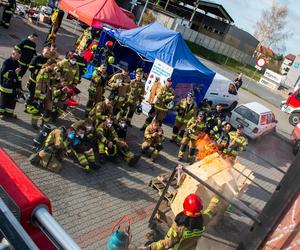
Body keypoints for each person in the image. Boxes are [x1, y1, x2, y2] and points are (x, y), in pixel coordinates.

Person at [141, 194, 219, 250]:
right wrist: (217, 196)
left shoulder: (180, 226)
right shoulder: (204, 219)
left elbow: (168, 243)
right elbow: (212, 209)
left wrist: (151, 248)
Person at [29, 59, 56, 128]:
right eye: (52, 66)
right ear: (48, 65)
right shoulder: (42, 72)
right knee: (38, 109)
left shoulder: (53, 72)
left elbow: (53, 83)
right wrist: (37, 96)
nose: (53, 67)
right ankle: (34, 123)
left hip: (49, 94)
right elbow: (38, 85)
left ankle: (44, 123)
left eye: (54, 66)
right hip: (41, 94)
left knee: (48, 110)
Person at [0, 48, 21, 119]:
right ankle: (1, 113)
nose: (18, 57)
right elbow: (4, 74)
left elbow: (18, 77)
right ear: (13, 54)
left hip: (14, 87)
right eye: (17, 56)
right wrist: (14, 72)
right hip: (6, 86)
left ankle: (9, 113)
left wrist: (19, 87)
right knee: (3, 101)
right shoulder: (6, 62)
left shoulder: (17, 63)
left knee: (12, 101)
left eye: (19, 56)